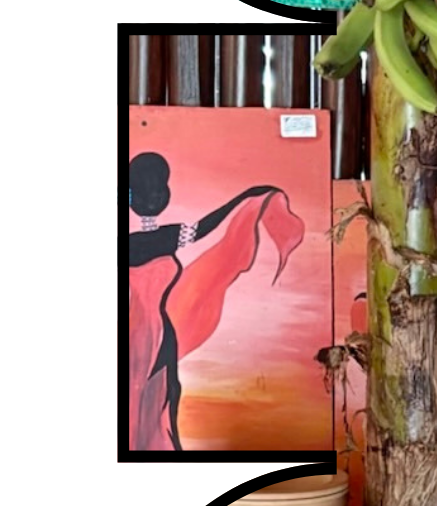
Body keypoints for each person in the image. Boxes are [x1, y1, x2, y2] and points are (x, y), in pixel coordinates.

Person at [126, 151, 305, 450]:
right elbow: (209, 225)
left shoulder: (134, 242)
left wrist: (246, 197)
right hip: (149, 334)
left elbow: (207, 226)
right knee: (151, 399)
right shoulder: (167, 238)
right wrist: (247, 198)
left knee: (151, 398)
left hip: (140, 333)